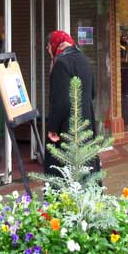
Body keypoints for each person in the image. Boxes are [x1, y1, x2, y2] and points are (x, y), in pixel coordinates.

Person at [45, 30, 97, 176]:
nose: (48, 51)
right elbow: (93, 92)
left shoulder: (60, 63)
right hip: (86, 121)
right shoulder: (84, 59)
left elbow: (60, 100)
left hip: (68, 125)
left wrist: (53, 127)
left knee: (63, 170)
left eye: (48, 47)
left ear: (54, 44)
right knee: (87, 164)